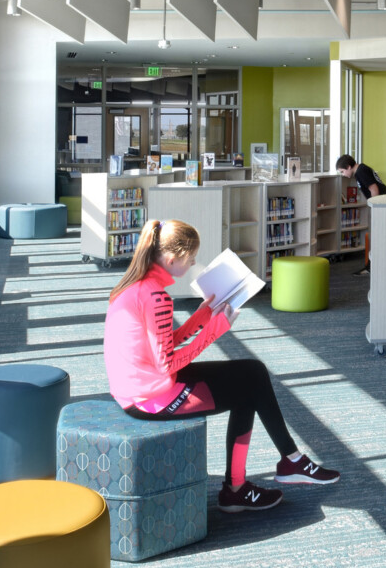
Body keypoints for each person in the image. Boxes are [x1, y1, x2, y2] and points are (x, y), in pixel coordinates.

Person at [103, 219, 340, 513]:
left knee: (252, 373)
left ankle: (279, 466)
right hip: (151, 398)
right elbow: (166, 363)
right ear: (172, 259)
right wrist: (216, 329)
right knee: (249, 386)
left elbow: (161, 345)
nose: (192, 264)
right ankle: (245, 484)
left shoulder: (136, 286)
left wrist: (202, 317)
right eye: (190, 259)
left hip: (138, 387)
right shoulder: (156, 297)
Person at [336, 154, 386, 276]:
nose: (343, 174)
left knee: (377, 237)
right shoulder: (361, 170)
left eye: (342, 171)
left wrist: (375, 208)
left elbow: (374, 189)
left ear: (349, 167)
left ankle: (372, 268)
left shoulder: (361, 172)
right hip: (383, 204)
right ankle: (370, 266)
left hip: (382, 205)